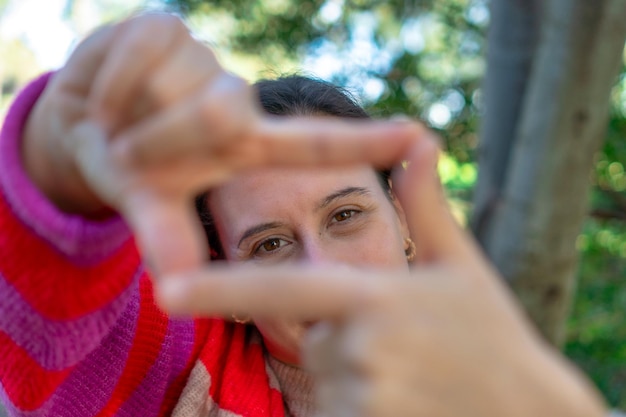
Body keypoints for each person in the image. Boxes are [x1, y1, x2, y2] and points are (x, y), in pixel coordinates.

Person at [0, 13, 608, 417]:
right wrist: (59, 158)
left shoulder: (504, 394)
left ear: (405, 225)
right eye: (268, 245)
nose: (325, 271)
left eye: (345, 215)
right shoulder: (187, 365)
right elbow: (46, 322)